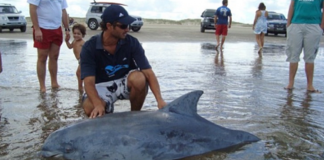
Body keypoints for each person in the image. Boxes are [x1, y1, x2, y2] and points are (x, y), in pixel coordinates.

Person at [80, 5, 167, 118]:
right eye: (123, 26)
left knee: (140, 78)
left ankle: (133, 117)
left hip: (124, 81)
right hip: (101, 84)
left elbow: (149, 73)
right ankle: (106, 118)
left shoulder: (132, 42)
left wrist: (160, 100)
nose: (128, 29)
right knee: (90, 108)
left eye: (128, 25)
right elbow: (88, 82)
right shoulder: (89, 47)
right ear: (109, 26)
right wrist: (97, 104)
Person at [28, 0, 70, 92]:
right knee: (42, 57)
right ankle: (42, 86)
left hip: (56, 28)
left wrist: (67, 28)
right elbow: (32, 8)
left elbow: (63, 10)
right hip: (42, 27)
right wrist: (37, 29)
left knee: (54, 56)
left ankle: (54, 83)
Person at [285, 0, 324, 93]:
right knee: (293, 55)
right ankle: (290, 83)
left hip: (314, 25)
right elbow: (292, 6)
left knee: (310, 57)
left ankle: (310, 85)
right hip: (296, 24)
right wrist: (289, 24)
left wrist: (321, 27)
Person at [65, 24, 86, 92]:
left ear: (82, 35)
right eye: (74, 33)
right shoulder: (74, 41)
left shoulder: (82, 42)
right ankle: (81, 87)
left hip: (83, 60)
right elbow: (70, 46)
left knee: (78, 73)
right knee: (80, 73)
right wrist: (67, 41)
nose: (76, 35)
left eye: (78, 34)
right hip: (80, 60)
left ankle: (80, 88)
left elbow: (89, 49)